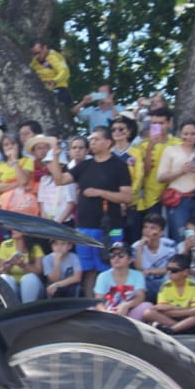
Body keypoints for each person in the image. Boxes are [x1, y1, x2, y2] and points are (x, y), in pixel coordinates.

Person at [51, 126, 133, 295]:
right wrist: (55, 155)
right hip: (84, 226)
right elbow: (60, 180)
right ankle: (91, 304)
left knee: (110, 265)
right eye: (91, 138)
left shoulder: (119, 166)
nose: (92, 142)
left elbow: (127, 197)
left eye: (96, 139)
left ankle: (110, 304)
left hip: (110, 226)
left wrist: (100, 192)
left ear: (108, 142)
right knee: (88, 269)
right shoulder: (84, 165)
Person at [155, 120, 195, 241]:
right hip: (180, 199)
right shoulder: (171, 150)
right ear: (180, 134)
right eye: (186, 134)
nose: (189, 137)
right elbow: (160, 177)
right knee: (180, 236)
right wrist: (182, 171)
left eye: (192, 134)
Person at [140, 253, 195, 334]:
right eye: (168, 269)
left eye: (174, 270)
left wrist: (170, 307)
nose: (169, 273)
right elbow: (161, 309)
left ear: (185, 272)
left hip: (189, 318)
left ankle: (173, 329)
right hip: (172, 317)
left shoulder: (194, 287)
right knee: (148, 313)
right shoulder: (165, 286)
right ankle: (184, 328)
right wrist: (187, 310)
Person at [93, 242, 149, 320]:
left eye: (121, 255)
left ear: (129, 259)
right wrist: (105, 312)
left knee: (146, 306)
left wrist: (126, 305)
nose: (116, 258)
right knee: (89, 309)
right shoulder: (103, 276)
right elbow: (98, 300)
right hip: (107, 310)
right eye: (112, 255)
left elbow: (140, 296)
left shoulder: (137, 275)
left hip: (130, 312)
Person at [132, 211, 177, 299]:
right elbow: (139, 269)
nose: (147, 231)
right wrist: (140, 247)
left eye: (153, 228)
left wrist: (150, 271)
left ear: (161, 232)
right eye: (145, 227)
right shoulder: (136, 246)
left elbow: (173, 268)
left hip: (166, 281)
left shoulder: (170, 244)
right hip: (146, 284)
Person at [0, 229, 45, 304]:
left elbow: (39, 271)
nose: (13, 230)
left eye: (17, 229)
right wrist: (10, 264)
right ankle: (11, 307)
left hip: (33, 287)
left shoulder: (35, 247)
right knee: (4, 277)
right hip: (13, 286)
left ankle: (27, 308)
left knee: (29, 278)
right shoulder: (5, 244)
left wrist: (23, 265)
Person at [30, 38, 70, 107]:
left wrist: (54, 81)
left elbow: (64, 71)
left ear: (45, 48)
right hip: (42, 90)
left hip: (59, 89)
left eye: (38, 52)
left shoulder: (54, 56)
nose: (37, 56)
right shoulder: (34, 61)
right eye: (34, 54)